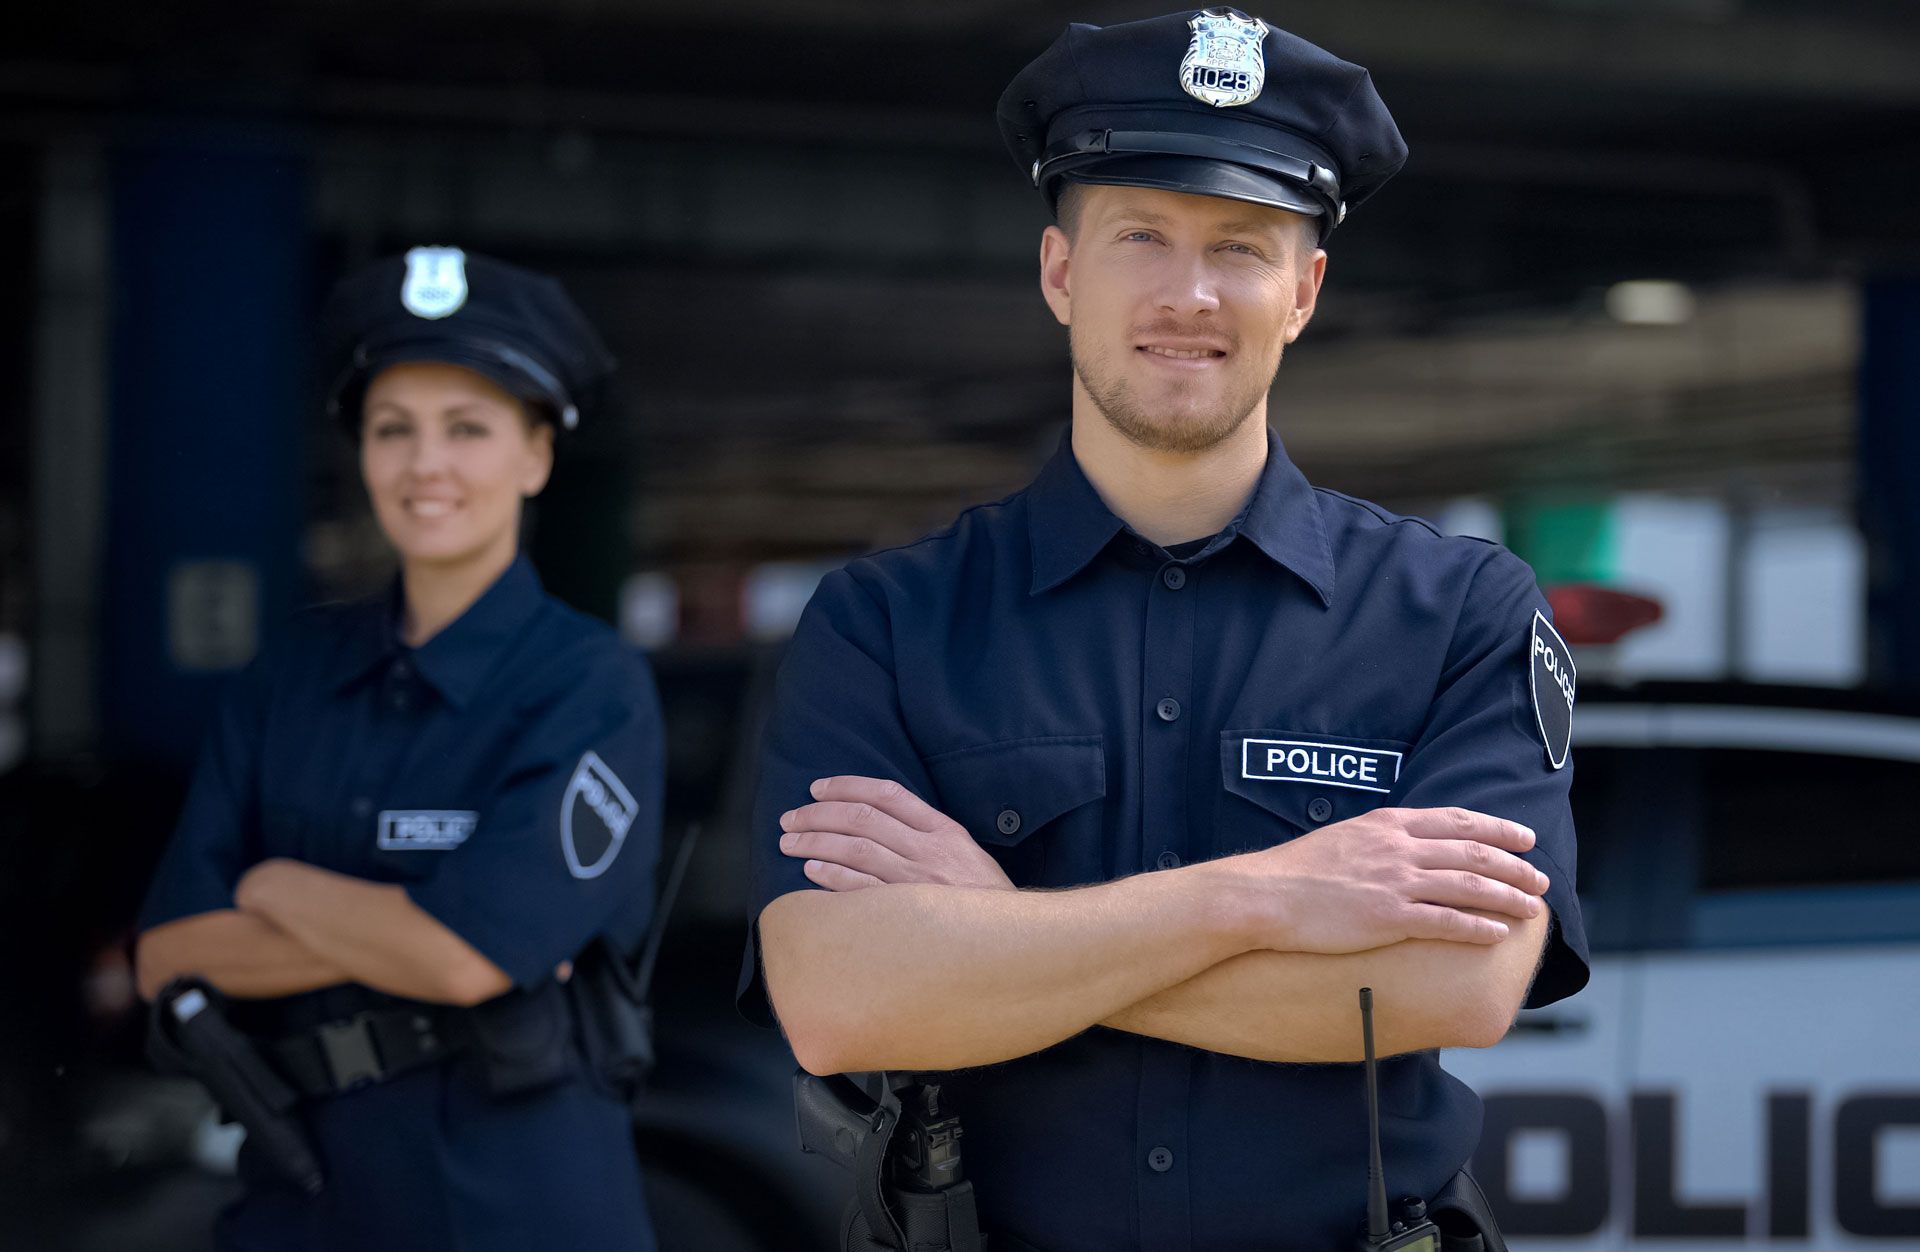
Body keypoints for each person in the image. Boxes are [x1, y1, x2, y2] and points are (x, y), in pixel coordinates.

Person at [741, 10, 1588, 1252]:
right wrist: (1271, 895)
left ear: (1301, 293)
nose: (1189, 293)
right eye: (1141, 234)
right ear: (1060, 272)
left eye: (1241, 247)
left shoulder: (1459, 613)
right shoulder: (886, 623)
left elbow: (1452, 984)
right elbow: (839, 998)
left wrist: (997, 935)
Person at [134, 247, 662, 1252]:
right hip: (300, 1195)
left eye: (467, 429)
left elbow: (463, 959)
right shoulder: (287, 679)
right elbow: (168, 951)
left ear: (537, 455)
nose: (427, 465)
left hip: (515, 1205)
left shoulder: (586, 686)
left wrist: (279, 884)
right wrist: (404, 929)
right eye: (393, 430)